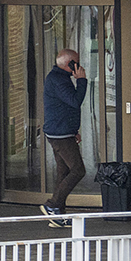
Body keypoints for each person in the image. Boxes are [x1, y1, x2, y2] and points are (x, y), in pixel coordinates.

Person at [39, 49, 88, 228]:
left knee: (64, 171)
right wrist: (82, 80)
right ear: (70, 64)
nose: (80, 65)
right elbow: (75, 101)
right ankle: (52, 205)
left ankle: (57, 214)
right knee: (78, 170)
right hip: (60, 134)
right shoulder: (59, 80)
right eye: (77, 62)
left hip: (62, 131)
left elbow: (66, 106)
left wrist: (73, 129)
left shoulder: (59, 78)